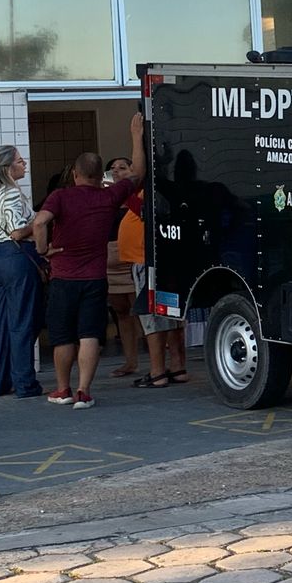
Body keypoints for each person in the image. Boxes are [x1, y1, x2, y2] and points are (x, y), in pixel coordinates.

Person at [33, 113, 147, 409]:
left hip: (63, 278)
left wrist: (44, 250)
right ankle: (84, 391)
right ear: (101, 176)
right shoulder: (109, 196)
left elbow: (40, 223)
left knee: (62, 337)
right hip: (95, 279)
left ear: (75, 174)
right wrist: (136, 136)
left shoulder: (60, 197)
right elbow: (139, 174)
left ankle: (62, 389)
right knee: (89, 335)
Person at [0, 144, 45, 399]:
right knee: (22, 323)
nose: (24, 164)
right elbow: (18, 231)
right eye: (20, 160)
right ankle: (25, 383)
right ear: (8, 167)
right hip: (14, 257)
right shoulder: (10, 193)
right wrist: (40, 220)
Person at [124, 186, 188, 388]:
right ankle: (177, 367)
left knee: (152, 318)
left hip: (147, 260)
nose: (117, 172)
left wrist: (125, 191)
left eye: (124, 168)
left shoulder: (150, 191)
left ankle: (157, 371)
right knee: (170, 315)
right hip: (165, 259)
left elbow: (145, 213)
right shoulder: (164, 189)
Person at [103, 155, 141, 378]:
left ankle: (157, 360)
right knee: (121, 312)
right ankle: (130, 361)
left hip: (132, 260)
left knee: (140, 310)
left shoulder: (137, 195)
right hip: (109, 262)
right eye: (112, 168)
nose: (116, 171)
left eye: (122, 168)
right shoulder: (106, 197)